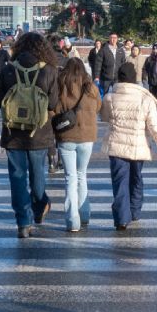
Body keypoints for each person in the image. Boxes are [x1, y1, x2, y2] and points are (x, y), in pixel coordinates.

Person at [0, 32, 60, 238]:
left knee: (17, 177)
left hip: (13, 133)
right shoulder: (49, 71)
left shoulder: (7, 70)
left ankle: (23, 221)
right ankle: (40, 204)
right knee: (38, 175)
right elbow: (53, 103)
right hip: (39, 133)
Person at [101, 62, 157, 229]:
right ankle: (134, 210)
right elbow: (155, 127)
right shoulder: (145, 98)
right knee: (136, 178)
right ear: (134, 79)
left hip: (117, 146)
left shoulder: (110, 97)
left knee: (120, 181)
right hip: (138, 146)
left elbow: (104, 117)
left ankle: (121, 218)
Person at [52, 57, 101, 232]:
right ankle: (85, 213)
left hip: (66, 138)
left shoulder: (60, 87)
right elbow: (98, 108)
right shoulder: (91, 88)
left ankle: (73, 220)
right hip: (87, 137)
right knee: (82, 175)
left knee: (70, 178)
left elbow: (54, 111)